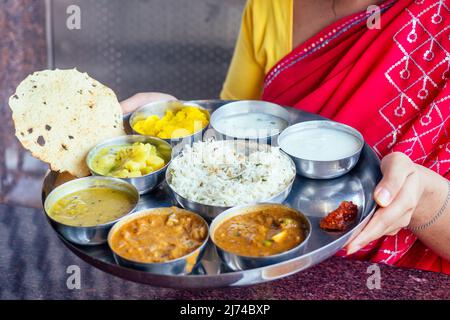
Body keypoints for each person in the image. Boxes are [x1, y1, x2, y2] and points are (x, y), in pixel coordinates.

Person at [120, 0, 450, 274]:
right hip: (261, 268)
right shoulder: (270, 7)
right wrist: (175, 126)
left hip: (405, 279)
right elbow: (234, 135)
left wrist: (425, 201)